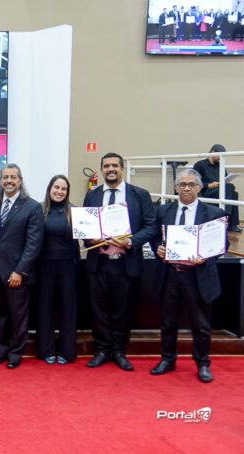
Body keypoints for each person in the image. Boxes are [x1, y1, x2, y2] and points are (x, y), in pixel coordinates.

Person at [150, 169, 228, 383]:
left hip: (198, 276)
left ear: (199, 187)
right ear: (176, 187)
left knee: (201, 324)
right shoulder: (163, 211)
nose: (186, 188)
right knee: (167, 322)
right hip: (170, 274)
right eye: (182, 184)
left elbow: (223, 244)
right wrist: (158, 248)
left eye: (191, 184)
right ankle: (167, 359)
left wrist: (205, 256)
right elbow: (155, 236)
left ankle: (203, 363)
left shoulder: (214, 213)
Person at [83, 153, 156, 371]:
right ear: (102, 170)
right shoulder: (92, 195)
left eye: (115, 165)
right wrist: (89, 237)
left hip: (126, 262)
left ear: (122, 169)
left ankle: (119, 351)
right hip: (99, 262)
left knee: (123, 310)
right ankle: (102, 350)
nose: (110, 169)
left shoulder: (139, 194)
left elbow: (151, 226)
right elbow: (86, 226)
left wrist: (131, 241)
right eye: (106, 166)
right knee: (99, 310)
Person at [0, 164, 43, 368]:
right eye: (5, 177)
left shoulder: (32, 207)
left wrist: (19, 271)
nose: (8, 181)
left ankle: (16, 354)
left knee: (18, 318)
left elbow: (33, 244)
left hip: (17, 274)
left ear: (20, 180)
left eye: (13, 177)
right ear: (0, 181)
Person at [36, 175, 80, 365]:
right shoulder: (39, 210)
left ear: (67, 192)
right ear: (50, 189)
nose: (59, 192)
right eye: (56, 187)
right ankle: (46, 350)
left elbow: (86, 237)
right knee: (44, 308)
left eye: (63, 189)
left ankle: (66, 351)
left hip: (68, 266)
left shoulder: (75, 211)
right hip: (44, 266)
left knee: (68, 309)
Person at [193, 144, 241, 232]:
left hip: (220, 190)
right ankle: (226, 216)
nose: (220, 158)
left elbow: (225, 180)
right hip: (207, 191)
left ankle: (231, 222)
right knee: (231, 190)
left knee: (233, 192)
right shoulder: (200, 165)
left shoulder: (220, 166)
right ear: (213, 152)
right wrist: (209, 185)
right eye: (219, 155)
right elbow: (194, 182)